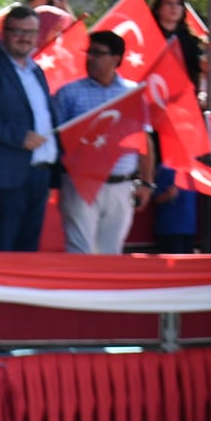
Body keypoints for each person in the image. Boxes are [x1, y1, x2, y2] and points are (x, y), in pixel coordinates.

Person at [52, 29, 154, 254]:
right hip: (80, 182)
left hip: (121, 185)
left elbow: (143, 141)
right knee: (80, 251)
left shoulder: (132, 93)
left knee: (111, 253)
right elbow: (56, 140)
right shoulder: (68, 94)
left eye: (98, 53)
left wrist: (147, 183)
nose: (90, 58)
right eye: (89, 52)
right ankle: (79, 290)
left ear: (116, 59)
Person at [0, 5, 58, 252]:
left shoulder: (36, 70)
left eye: (30, 32)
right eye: (17, 31)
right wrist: (19, 136)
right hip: (2, 176)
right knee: (1, 248)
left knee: (27, 251)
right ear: (3, 32)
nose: (24, 37)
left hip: (38, 173)